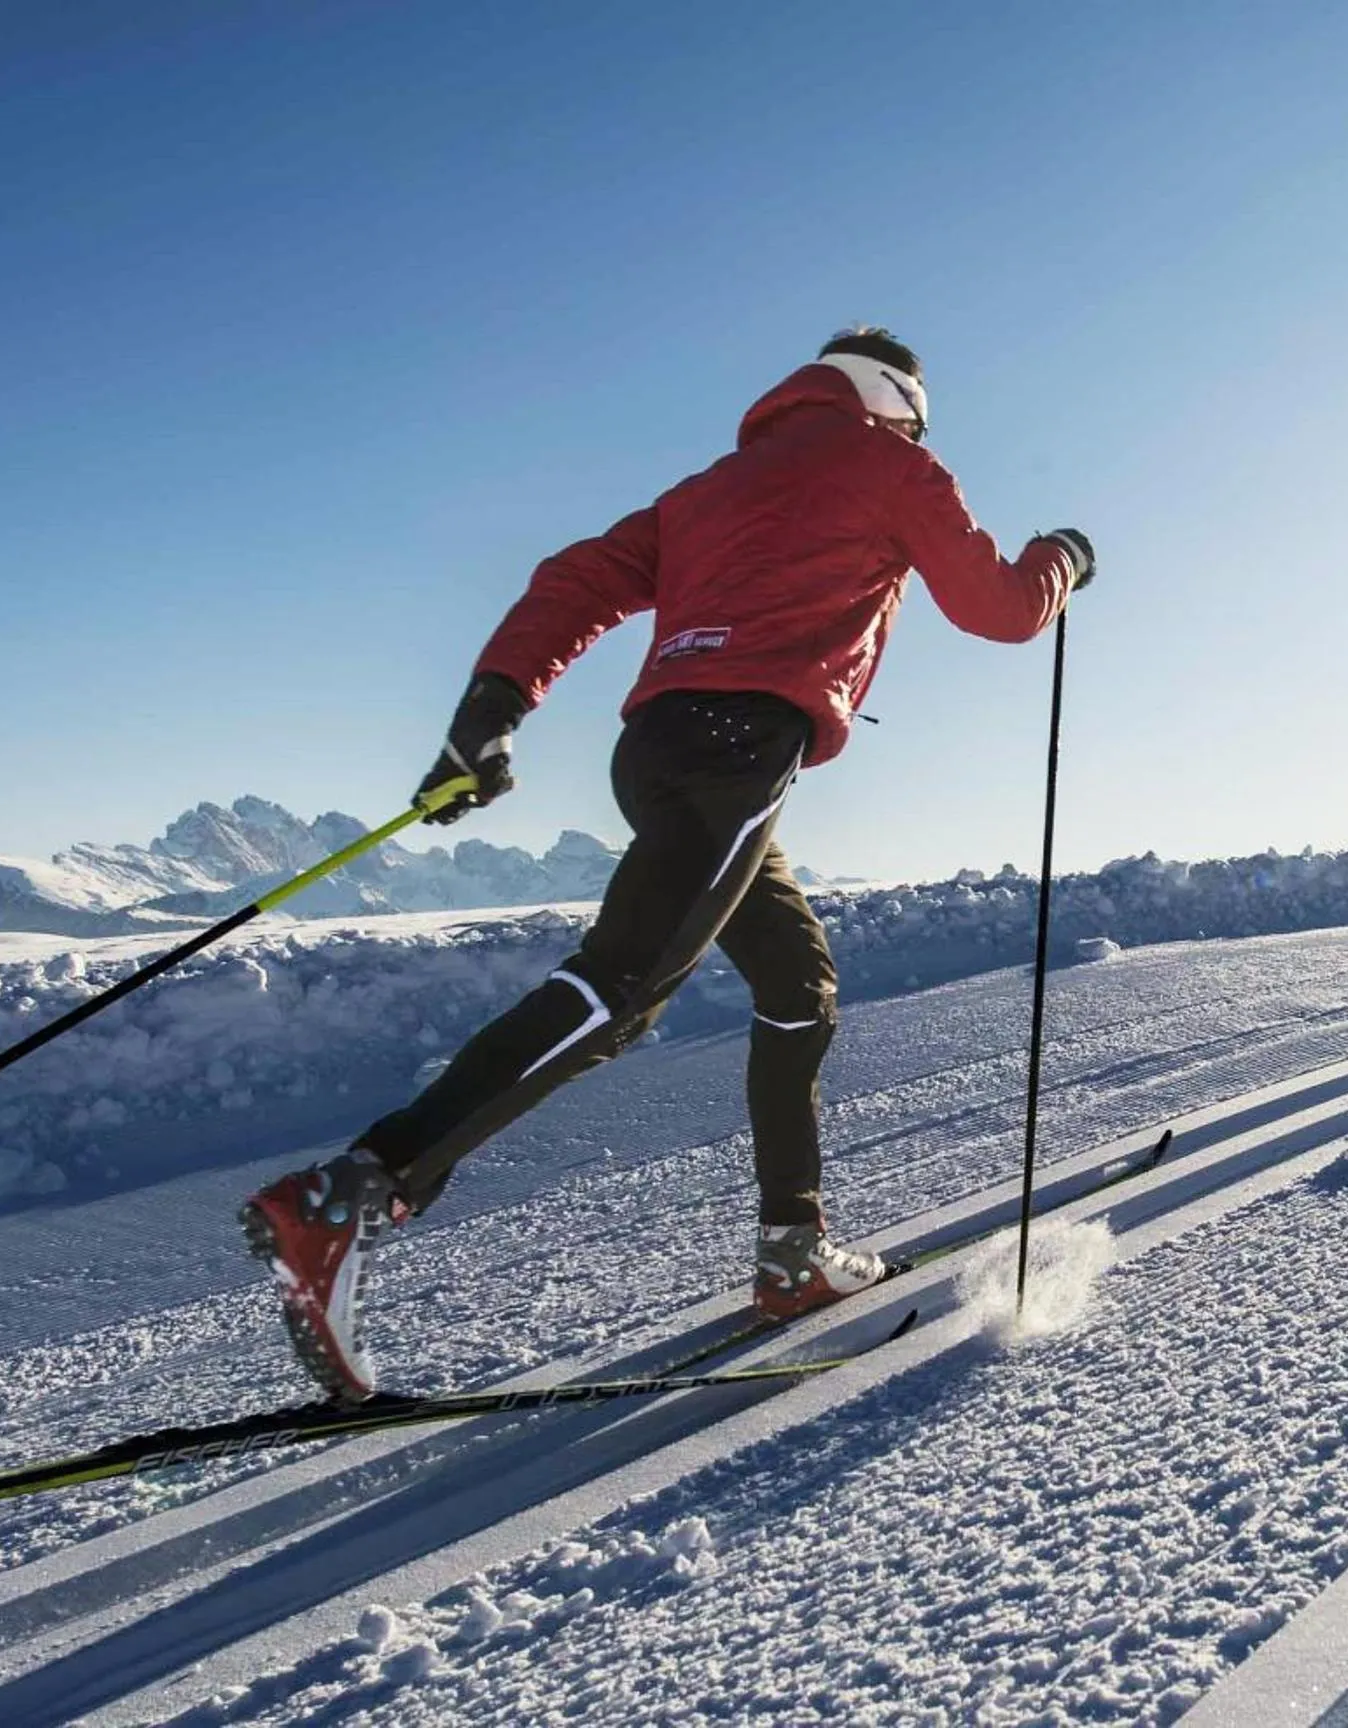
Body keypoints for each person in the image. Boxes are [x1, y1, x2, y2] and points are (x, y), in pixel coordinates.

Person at [239, 328, 1095, 1400]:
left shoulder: (710, 489)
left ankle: (792, 1254)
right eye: (919, 422)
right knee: (622, 990)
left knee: (795, 985)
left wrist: (490, 708)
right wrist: (1062, 557)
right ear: (898, 406)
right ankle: (355, 1191)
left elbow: (573, 580)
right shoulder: (889, 462)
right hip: (740, 749)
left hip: (656, 753)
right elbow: (1002, 610)